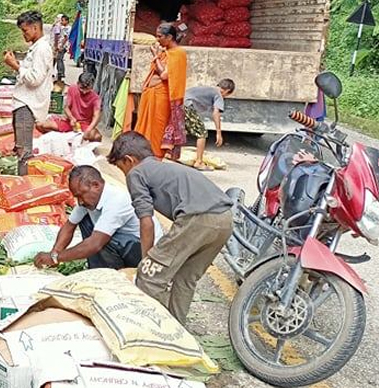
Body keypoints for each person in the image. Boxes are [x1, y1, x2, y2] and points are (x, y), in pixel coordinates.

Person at [108, 132, 234, 325]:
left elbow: (146, 220)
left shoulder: (136, 173)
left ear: (129, 160)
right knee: (186, 278)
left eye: (120, 167)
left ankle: (152, 328)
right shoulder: (163, 168)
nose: (123, 173)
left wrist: (147, 259)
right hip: (224, 220)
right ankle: (176, 327)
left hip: (196, 218)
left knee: (149, 277)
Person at [33, 165, 162, 270]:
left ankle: (112, 276)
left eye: (81, 195)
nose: (80, 202)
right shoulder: (87, 201)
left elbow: (95, 244)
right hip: (124, 244)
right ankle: (99, 269)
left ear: (95, 185)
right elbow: (69, 226)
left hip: (145, 251)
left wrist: (57, 257)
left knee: (101, 240)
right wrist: (54, 253)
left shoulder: (117, 200)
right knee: (85, 221)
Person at [4, 11, 55, 175]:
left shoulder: (42, 50)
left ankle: (24, 184)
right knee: (20, 148)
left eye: (25, 31)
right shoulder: (37, 48)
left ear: (35, 28)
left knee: (24, 151)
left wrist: (15, 66)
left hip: (28, 104)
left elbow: (34, 79)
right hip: (23, 102)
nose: (23, 35)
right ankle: (22, 179)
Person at [134, 23, 187, 159]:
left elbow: (164, 75)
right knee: (145, 127)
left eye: (160, 37)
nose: (157, 40)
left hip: (161, 96)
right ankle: (143, 154)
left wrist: (156, 56)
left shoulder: (178, 54)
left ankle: (156, 156)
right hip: (152, 94)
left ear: (169, 37)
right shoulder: (166, 52)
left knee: (157, 129)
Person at [184, 79, 235, 170]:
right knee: (202, 133)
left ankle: (170, 152)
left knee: (181, 130)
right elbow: (216, 113)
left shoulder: (208, 89)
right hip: (187, 106)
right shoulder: (218, 95)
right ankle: (199, 162)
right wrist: (218, 133)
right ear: (227, 91)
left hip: (178, 103)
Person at [63, 72, 102, 141]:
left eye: (87, 89)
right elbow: (66, 107)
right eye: (81, 88)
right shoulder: (72, 88)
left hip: (85, 125)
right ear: (78, 83)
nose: (84, 92)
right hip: (71, 122)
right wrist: (71, 118)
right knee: (42, 125)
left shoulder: (95, 98)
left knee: (97, 137)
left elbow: (96, 116)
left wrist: (89, 129)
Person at [52, 14, 70, 85]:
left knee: (59, 59)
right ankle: (60, 73)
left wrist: (60, 46)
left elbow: (65, 38)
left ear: (67, 21)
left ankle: (60, 73)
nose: (61, 22)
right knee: (59, 59)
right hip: (62, 46)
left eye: (62, 20)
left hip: (62, 46)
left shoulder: (65, 28)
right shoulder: (63, 27)